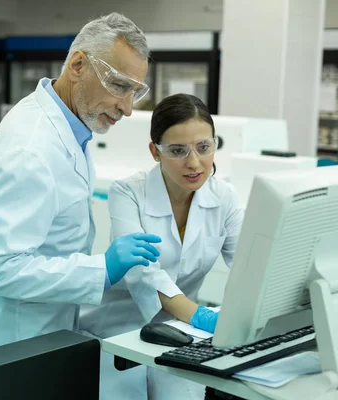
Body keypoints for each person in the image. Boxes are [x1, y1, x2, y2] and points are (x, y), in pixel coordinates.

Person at [0, 12, 161, 353]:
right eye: (118, 85)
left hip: (45, 332)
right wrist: (100, 269)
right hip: (15, 344)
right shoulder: (31, 150)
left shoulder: (72, 131)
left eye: (135, 91)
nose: (127, 108)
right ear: (78, 65)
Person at [79, 93, 245, 399]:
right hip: (116, 330)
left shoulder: (225, 198)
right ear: (155, 152)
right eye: (178, 151)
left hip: (180, 331)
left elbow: (249, 265)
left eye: (204, 147)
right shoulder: (128, 193)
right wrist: (202, 316)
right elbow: (145, 274)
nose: (194, 162)